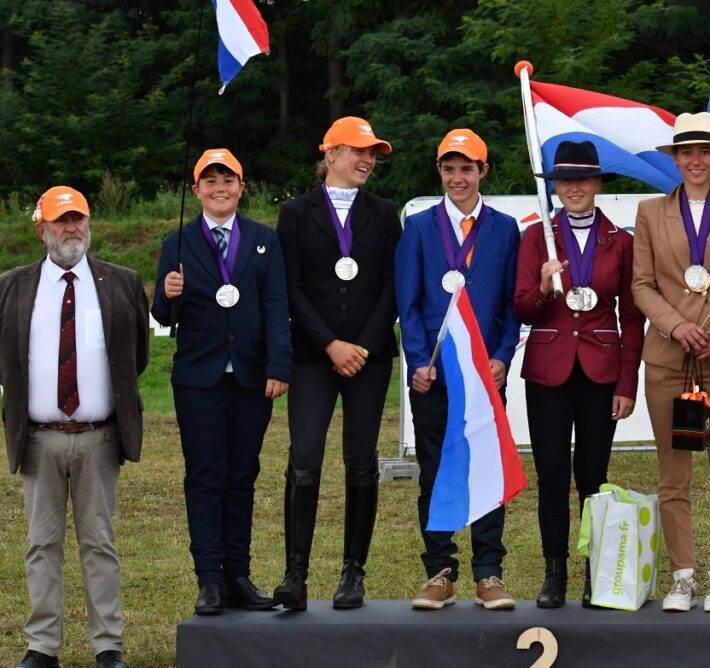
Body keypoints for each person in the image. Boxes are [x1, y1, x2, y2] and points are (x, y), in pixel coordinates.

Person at [0, 186, 148, 668]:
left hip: (98, 438)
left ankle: (108, 645)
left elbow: (137, 358)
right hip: (38, 438)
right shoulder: (12, 287)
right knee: (41, 545)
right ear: (41, 229)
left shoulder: (122, 282)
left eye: (78, 219)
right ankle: (42, 648)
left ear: (89, 224)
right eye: (61, 221)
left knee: (99, 543)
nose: (71, 229)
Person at [152, 149, 292, 615]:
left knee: (242, 475)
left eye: (227, 180)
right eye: (210, 181)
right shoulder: (177, 242)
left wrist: (279, 365)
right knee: (205, 476)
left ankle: (238, 576)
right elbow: (163, 315)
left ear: (241, 187)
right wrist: (167, 293)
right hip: (199, 379)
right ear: (196, 190)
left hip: (251, 377)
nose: (219, 188)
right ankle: (209, 579)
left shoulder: (263, 240)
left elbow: (276, 304)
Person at [273, 117, 400, 610]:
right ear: (330, 154)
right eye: (358, 151)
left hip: (369, 357)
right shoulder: (295, 214)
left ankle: (353, 573)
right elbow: (291, 287)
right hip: (313, 356)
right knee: (305, 459)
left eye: (372, 154)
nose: (367, 160)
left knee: (360, 461)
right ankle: (295, 574)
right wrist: (329, 343)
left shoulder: (384, 214)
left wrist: (361, 346)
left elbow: (392, 285)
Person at [633, 112, 710, 613]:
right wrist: (676, 326)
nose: (696, 160)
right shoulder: (649, 212)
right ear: (676, 159)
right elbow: (642, 284)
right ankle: (682, 575)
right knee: (673, 475)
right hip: (668, 358)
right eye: (686, 152)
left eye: (705, 151)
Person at [514, 140, 644, 609]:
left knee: (592, 476)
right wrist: (544, 284)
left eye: (583, 179)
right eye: (565, 181)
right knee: (551, 477)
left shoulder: (621, 241)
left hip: (600, 372)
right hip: (548, 371)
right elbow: (523, 308)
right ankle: (555, 573)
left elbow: (632, 318)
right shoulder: (537, 237)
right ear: (555, 187)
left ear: (597, 183)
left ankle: (596, 572)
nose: (574, 188)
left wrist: (627, 383)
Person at [395, 128, 520, 611]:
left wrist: (503, 356)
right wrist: (417, 362)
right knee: (435, 469)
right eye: (449, 169)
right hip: (434, 376)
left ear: (483, 171)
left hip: (484, 377)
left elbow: (510, 305)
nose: (457, 178)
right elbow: (408, 303)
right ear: (439, 171)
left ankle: (489, 572)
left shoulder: (504, 228)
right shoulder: (419, 227)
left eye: (467, 168)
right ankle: (440, 571)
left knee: (486, 467)